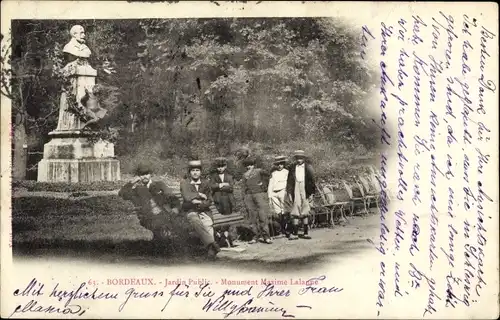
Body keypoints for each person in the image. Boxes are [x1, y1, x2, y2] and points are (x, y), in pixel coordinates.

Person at [118, 163, 181, 243]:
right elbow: (122, 193)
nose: (144, 176)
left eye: (146, 174)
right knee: (161, 227)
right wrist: (131, 183)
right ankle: (164, 240)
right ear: (138, 176)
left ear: (150, 174)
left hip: (164, 212)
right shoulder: (137, 189)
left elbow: (171, 196)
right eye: (142, 174)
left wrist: (176, 207)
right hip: (147, 216)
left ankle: (164, 240)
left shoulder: (159, 184)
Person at [180, 160, 221, 259]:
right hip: (189, 210)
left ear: (200, 172)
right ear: (189, 172)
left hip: (204, 210)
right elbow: (187, 197)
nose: (195, 172)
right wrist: (200, 195)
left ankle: (210, 250)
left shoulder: (205, 183)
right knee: (195, 221)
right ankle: (212, 245)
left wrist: (200, 203)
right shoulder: (185, 183)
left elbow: (210, 199)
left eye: (197, 170)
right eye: (193, 170)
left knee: (208, 223)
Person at [286, 150, 316, 240]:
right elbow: (289, 181)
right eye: (297, 158)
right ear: (295, 159)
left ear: (304, 158)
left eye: (301, 158)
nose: (299, 160)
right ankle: (295, 233)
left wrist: (311, 193)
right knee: (295, 209)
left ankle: (306, 232)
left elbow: (312, 181)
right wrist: (289, 193)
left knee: (305, 209)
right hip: (295, 188)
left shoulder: (308, 167)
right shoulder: (292, 167)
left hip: (305, 188)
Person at [242, 157, 272, 244]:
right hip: (249, 196)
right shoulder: (244, 175)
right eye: (247, 165)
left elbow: (269, 175)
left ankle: (266, 236)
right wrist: (244, 197)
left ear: (253, 165)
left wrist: (263, 184)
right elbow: (243, 187)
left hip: (259, 195)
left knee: (262, 215)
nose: (249, 167)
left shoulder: (259, 171)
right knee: (252, 217)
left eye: (250, 165)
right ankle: (255, 236)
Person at [209, 157, 237, 247]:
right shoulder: (213, 176)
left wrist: (218, 187)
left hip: (227, 201)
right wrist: (222, 184)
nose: (220, 168)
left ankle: (228, 238)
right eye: (218, 167)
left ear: (225, 166)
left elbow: (231, 188)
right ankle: (219, 238)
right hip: (217, 201)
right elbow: (211, 186)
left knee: (227, 219)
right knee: (218, 220)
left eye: (222, 166)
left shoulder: (229, 176)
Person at [268, 155, 289, 237]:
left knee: (284, 211)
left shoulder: (286, 172)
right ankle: (280, 230)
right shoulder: (273, 173)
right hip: (274, 193)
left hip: (283, 191)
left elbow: (288, 183)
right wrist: (270, 196)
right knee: (278, 212)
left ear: (284, 164)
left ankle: (286, 230)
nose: (280, 166)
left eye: (281, 164)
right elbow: (270, 184)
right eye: (278, 164)